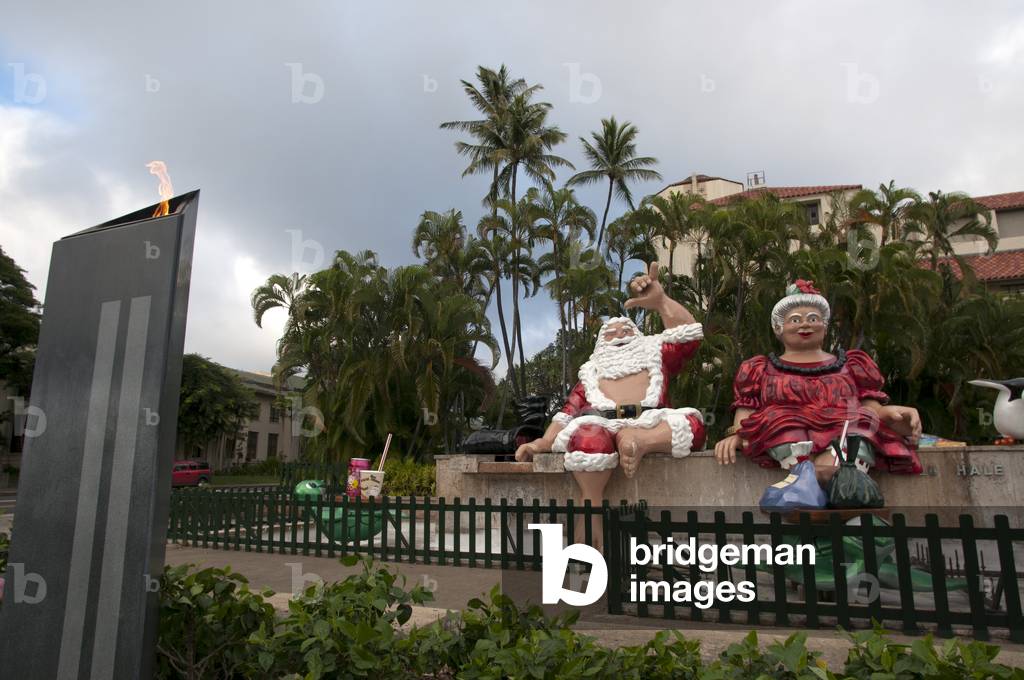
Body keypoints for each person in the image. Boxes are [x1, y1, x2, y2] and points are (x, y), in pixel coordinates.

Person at [515, 262, 706, 534]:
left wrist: (661, 301)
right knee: (588, 438)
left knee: (692, 424)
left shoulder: (655, 353)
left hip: (651, 422)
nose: (619, 336)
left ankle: (641, 443)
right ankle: (591, 512)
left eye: (626, 331)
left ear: (638, 336)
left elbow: (689, 336)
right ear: (599, 344)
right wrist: (542, 442)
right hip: (604, 424)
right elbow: (567, 412)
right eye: (611, 333)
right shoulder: (591, 373)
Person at [714, 280, 922, 487]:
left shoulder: (851, 365)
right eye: (795, 320)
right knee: (778, 421)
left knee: (860, 425)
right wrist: (737, 435)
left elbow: (869, 407)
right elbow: (746, 412)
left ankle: (838, 485)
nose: (805, 324)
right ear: (778, 328)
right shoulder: (760, 369)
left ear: (824, 324)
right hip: (787, 437)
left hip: (844, 431)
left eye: (813, 318)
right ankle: (813, 482)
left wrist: (890, 414)